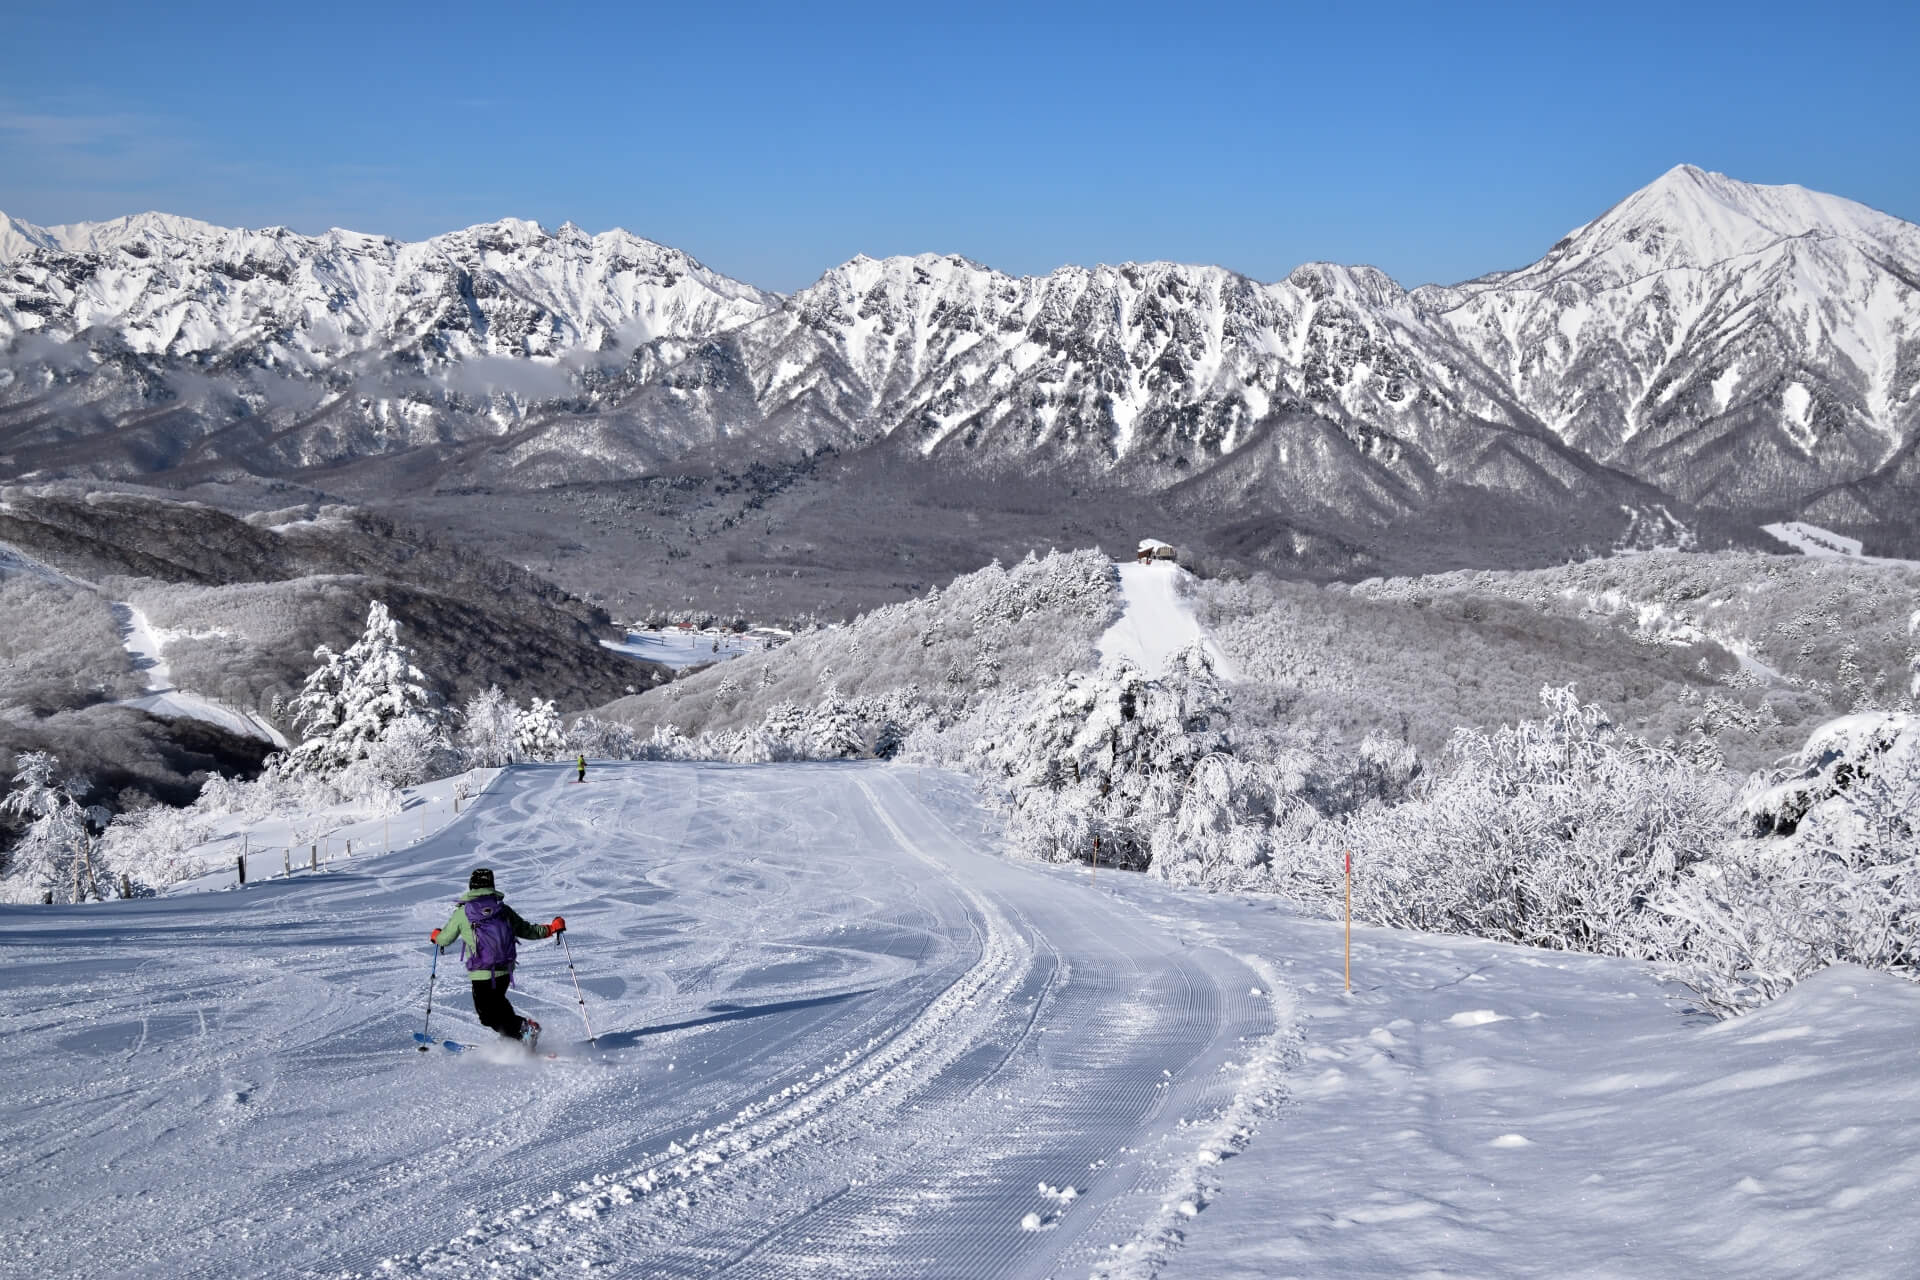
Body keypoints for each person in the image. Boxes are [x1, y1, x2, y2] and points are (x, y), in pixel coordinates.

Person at [430, 867, 564, 1048]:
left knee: (487, 1016)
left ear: (471, 886)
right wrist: (551, 928)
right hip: (504, 970)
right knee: (499, 1005)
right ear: (491, 885)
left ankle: (524, 1030)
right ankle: (513, 1036)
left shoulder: (463, 912)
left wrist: (436, 936)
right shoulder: (502, 910)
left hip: (482, 974)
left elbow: (445, 939)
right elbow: (527, 930)